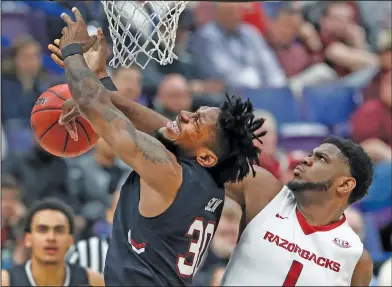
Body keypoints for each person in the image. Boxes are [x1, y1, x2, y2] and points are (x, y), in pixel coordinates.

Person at [49, 10, 373, 285]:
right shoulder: (261, 191)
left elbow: (177, 139)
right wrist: (105, 89)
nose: (304, 158)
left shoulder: (356, 259)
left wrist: (81, 67)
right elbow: (172, 134)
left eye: (319, 159)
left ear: (345, 184)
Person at [52, 8, 264, 286]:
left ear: (207, 156)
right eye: (194, 111)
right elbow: (139, 118)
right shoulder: (207, 179)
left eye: (196, 122)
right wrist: (101, 76)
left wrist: (72, 53)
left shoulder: (168, 172)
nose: (185, 115)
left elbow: (96, 107)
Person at [1, 197, 104, 286]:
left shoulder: (93, 281)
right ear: (28, 239)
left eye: (59, 230)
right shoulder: (5, 281)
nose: (51, 237)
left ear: (70, 240)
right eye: (42, 230)